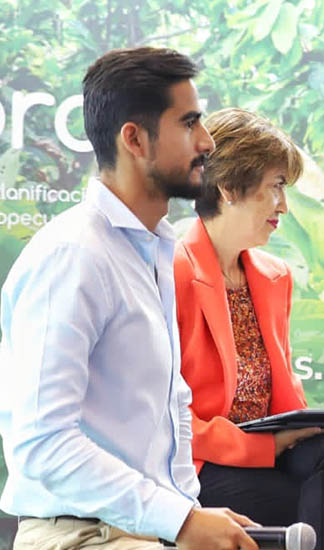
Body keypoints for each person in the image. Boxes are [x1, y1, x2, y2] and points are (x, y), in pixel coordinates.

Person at [0, 47, 259, 550]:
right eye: (189, 123)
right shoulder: (74, 254)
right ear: (135, 139)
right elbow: (42, 444)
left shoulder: (152, 249)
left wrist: (188, 515)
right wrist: (180, 520)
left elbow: (171, 407)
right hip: (78, 535)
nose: (207, 142)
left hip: (144, 532)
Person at [174, 107, 324, 550]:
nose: (284, 205)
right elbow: (163, 418)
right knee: (315, 504)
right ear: (229, 188)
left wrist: (309, 427)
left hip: (271, 447)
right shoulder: (170, 270)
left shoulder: (274, 275)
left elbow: (283, 389)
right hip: (200, 461)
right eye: (276, 186)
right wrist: (265, 448)